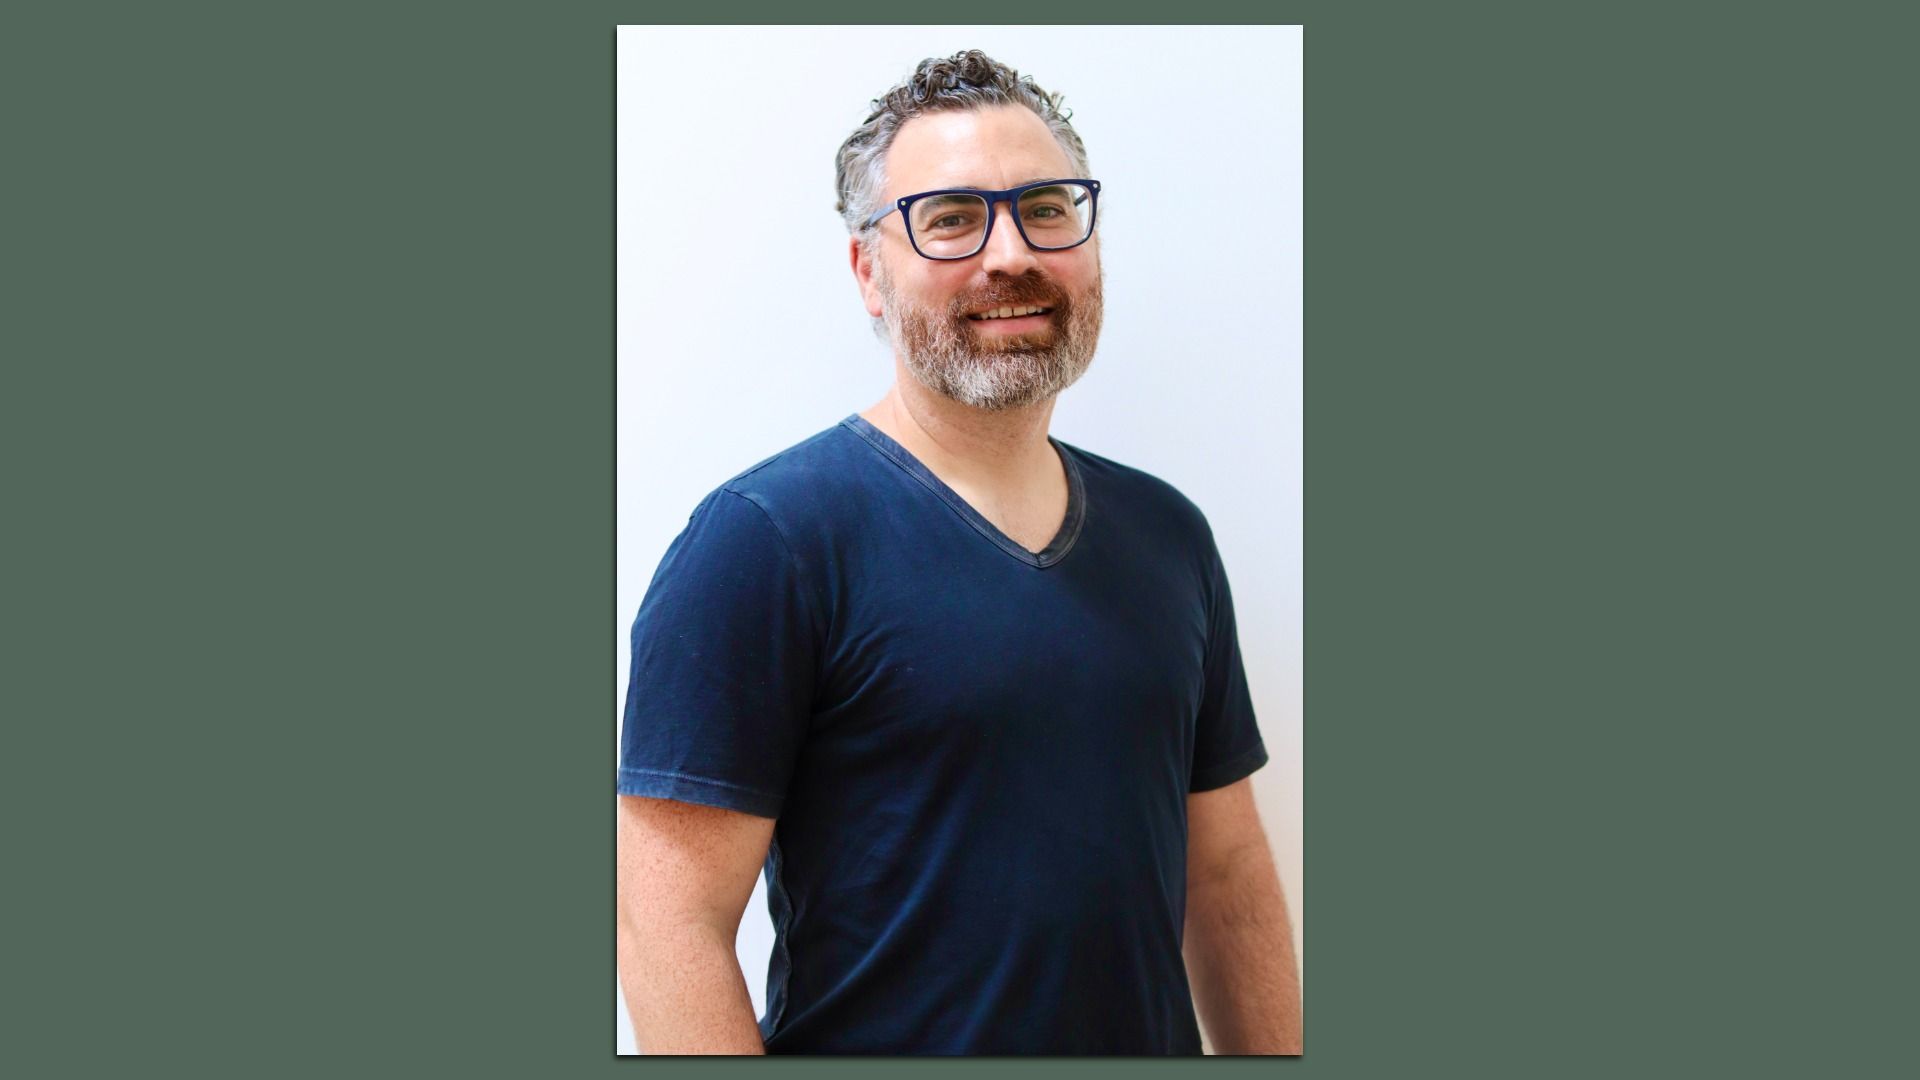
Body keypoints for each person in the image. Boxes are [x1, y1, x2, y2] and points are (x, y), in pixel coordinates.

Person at [616, 49, 1301, 1055]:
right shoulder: (768, 542)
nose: (1009, 253)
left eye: (1047, 208)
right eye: (950, 218)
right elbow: (663, 923)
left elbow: (1228, 874)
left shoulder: (1170, 538)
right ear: (868, 272)